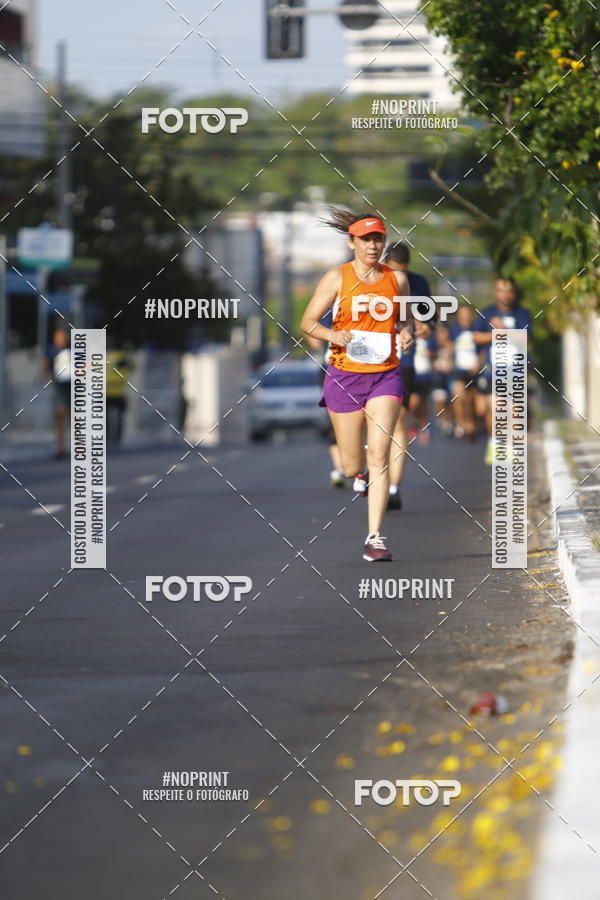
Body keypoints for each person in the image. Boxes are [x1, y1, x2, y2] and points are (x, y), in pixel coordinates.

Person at [300, 209, 413, 561]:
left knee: (379, 453)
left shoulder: (397, 280)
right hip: (344, 377)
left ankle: (375, 538)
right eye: (365, 239)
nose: (373, 245)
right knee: (352, 466)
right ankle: (358, 474)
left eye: (378, 238)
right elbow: (307, 322)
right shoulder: (337, 277)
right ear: (351, 242)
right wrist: (334, 334)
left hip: (385, 374)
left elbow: (405, 320)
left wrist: (407, 333)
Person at [384, 242, 431, 510]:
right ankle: (372, 468)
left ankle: (392, 487)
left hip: (403, 361)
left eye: (403, 272)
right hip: (367, 363)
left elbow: (428, 322)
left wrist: (423, 329)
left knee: (398, 423)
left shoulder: (418, 284)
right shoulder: (367, 280)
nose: (398, 278)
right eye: (393, 272)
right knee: (375, 424)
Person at [473, 277, 533, 464]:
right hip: (494, 370)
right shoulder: (487, 312)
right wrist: (495, 333)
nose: (505, 295)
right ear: (496, 292)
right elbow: (476, 337)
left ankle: (510, 448)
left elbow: (526, 338)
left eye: (509, 291)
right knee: (495, 409)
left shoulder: (522, 314)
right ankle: (494, 444)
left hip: (516, 369)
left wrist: (503, 329)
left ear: (514, 293)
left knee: (514, 411)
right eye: (501, 290)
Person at [448, 305, 479, 439]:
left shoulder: (477, 328)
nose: (464, 317)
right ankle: (460, 425)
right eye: (462, 314)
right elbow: (449, 345)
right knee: (458, 395)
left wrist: (478, 363)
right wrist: (449, 359)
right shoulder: (454, 329)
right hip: (458, 369)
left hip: (473, 369)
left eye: (467, 314)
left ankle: (471, 422)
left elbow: (483, 349)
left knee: (471, 400)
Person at [44, 328, 71, 459]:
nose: (60, 341)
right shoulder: (51, 350)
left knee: (75, 418)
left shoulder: (74, 349)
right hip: (59, 387)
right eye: (58, 338)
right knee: (60, 415)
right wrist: (47, 377)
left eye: (63, 338)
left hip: (74, 387)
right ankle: (61, 446)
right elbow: (46, 364)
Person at [106, 341, 133, 448]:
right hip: (119, 392)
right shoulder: (124, 357)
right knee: (119, 417)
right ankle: (117, 438)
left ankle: (107, 437)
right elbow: (133, 366)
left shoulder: (107, 357)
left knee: (106, 417)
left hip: (106, 391)